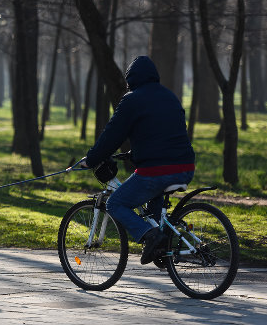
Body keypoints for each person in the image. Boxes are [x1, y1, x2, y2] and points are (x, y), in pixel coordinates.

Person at [79, 56, 195, 265]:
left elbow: (112, 135)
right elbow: (164, 136)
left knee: (115, 203)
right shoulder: (170, 97)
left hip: (156, 171)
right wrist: (135, 154)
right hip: (185, 167)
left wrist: (92, 158)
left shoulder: (132, 99)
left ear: (131, 79)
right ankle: (162, 244)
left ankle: (150, 236)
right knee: (153, 204)